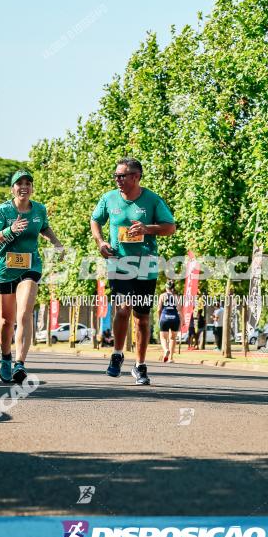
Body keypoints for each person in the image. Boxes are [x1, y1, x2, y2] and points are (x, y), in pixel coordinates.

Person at [90, 157, 176, 385]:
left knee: (143, 320)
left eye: (122, 176)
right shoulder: (109, 198)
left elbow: (170, 227)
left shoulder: (152, 200)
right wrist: (100, 242)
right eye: (116, 176)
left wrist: (147, 228)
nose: (117, 180)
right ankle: (117, 354)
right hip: (119, 263)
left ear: (135, 177)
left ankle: (140, 366)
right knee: (122, 309)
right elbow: (95, 220)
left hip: (145, 266)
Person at [0, 170, 64, 383]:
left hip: (30, 267)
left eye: (28, 183)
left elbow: (44, 227)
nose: (24, 186)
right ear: (12, 188)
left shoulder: (39, 209)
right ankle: (5, 357)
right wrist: (9, 230)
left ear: (32, 187)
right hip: (4, 270)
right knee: (6, 320)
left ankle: (20, 364)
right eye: (19, 183)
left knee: (24, 314)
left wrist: (55, 242)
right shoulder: (2, 211)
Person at [157, 280, 181, 362]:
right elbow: (179, 309)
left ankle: (166, 350)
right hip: (175, 318)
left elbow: (159, 309)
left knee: (163, 337)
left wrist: (159, 318)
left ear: (166, 287)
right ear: (173, 287)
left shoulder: (162, 295)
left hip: (165, 317)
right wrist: (182, 320)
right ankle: (171, 358)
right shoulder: (176, 297)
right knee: (173, 338)